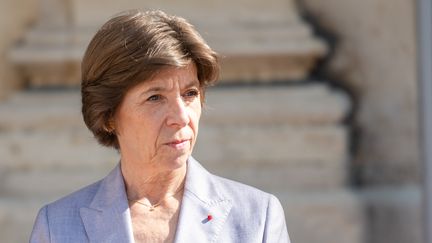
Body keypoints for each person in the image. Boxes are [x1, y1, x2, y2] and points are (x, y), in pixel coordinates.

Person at [30, 10, 290, 243]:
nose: (180, 116)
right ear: (108, 115)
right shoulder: (57, 227)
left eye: (190, 94)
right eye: (155, 98)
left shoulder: (258, 217)